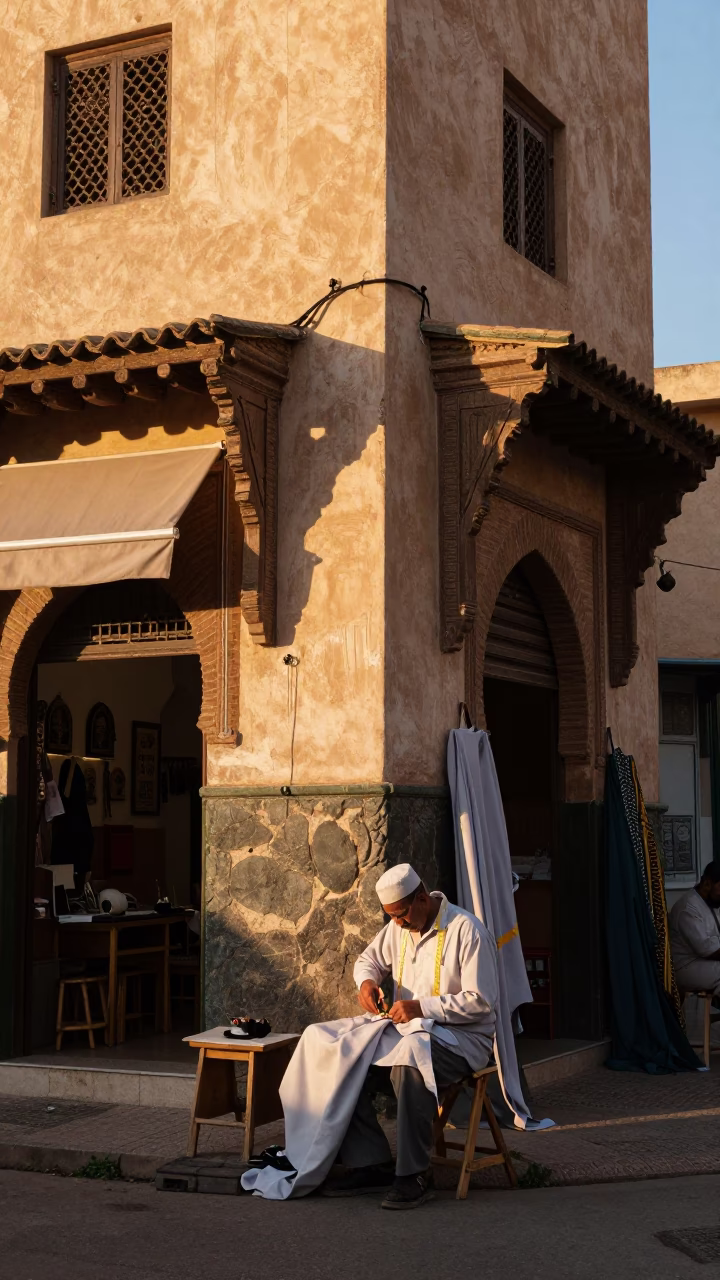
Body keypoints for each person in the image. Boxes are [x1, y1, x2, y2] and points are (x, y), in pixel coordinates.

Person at [324, 862, 498, 1210]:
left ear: (421, 899)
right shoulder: (397, 928)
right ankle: (369, 1162)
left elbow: (481, 1002)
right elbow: (367, 960)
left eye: (400, 915)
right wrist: (367, 983)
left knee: (410, 1066)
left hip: (463, 1040)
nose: (396, 924)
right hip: (411, 1032)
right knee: (346, 1057)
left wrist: (422, 1008)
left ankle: (414, 1174)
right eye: (390, 917)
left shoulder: (467, 930)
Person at [669, 860, 720, 997]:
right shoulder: (688, 908)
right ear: (708, 884)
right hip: (686, 967)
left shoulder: (712, 902)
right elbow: (708, 951)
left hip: (704, 962)